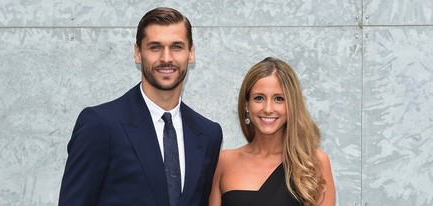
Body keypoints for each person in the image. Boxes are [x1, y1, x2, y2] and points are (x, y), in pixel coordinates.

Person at [59, 7, 223, 206]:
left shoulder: (208, 133)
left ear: (191, 53)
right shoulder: (100, 124)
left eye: (177, 47)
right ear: (138, 53)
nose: (166, 58)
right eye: (155, 47)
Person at [209, 57, 335, 206]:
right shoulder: (223, 161)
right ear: (246, 105)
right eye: (259, 98)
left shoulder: (313, 163)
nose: (268, 109)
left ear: (291, 105)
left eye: (279, 99)